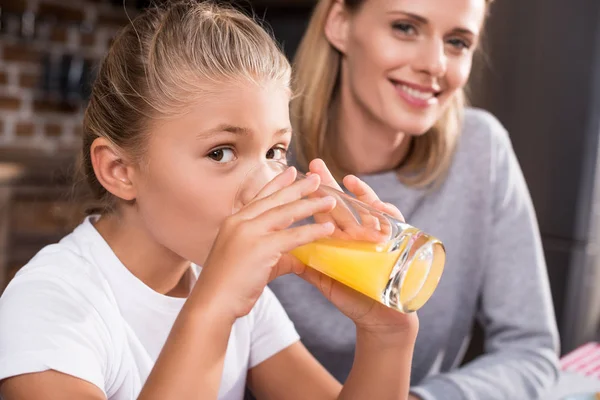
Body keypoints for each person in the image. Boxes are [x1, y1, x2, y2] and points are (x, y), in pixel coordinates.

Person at [0, 2, 419, 399]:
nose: (264, 189)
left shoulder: (226, 287)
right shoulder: (48, 305)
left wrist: (387, 337)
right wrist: (214, 309)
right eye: (221, 153)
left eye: (275, 151)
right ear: (119, 170)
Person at [269, 0, 561, 398]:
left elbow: (531, 352)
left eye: (457, 41)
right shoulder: (264, 157)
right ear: (339, 23)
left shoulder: (481, 151)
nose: (435, 64)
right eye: (406, 28)